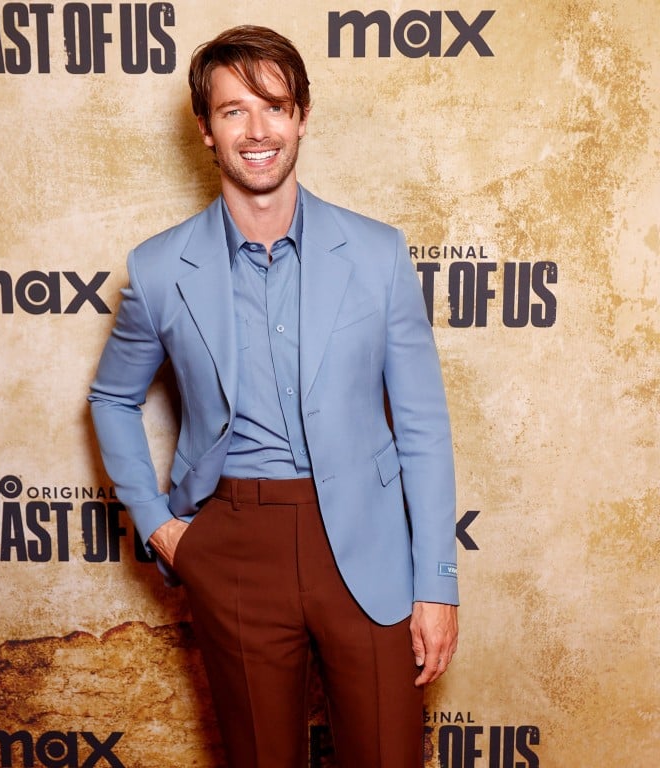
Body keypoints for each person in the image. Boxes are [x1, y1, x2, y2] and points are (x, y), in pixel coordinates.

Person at [89, 24, 458, 768]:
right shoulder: (159, 269)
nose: (257, 131)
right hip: (232, 544)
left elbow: (422, 425)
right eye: (233, 111)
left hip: (367, 545)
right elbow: (109, 398)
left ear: (302, 116)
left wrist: (438, 583)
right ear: (205, 130)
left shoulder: (379, 253)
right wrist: (164, 530)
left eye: (274, 107)